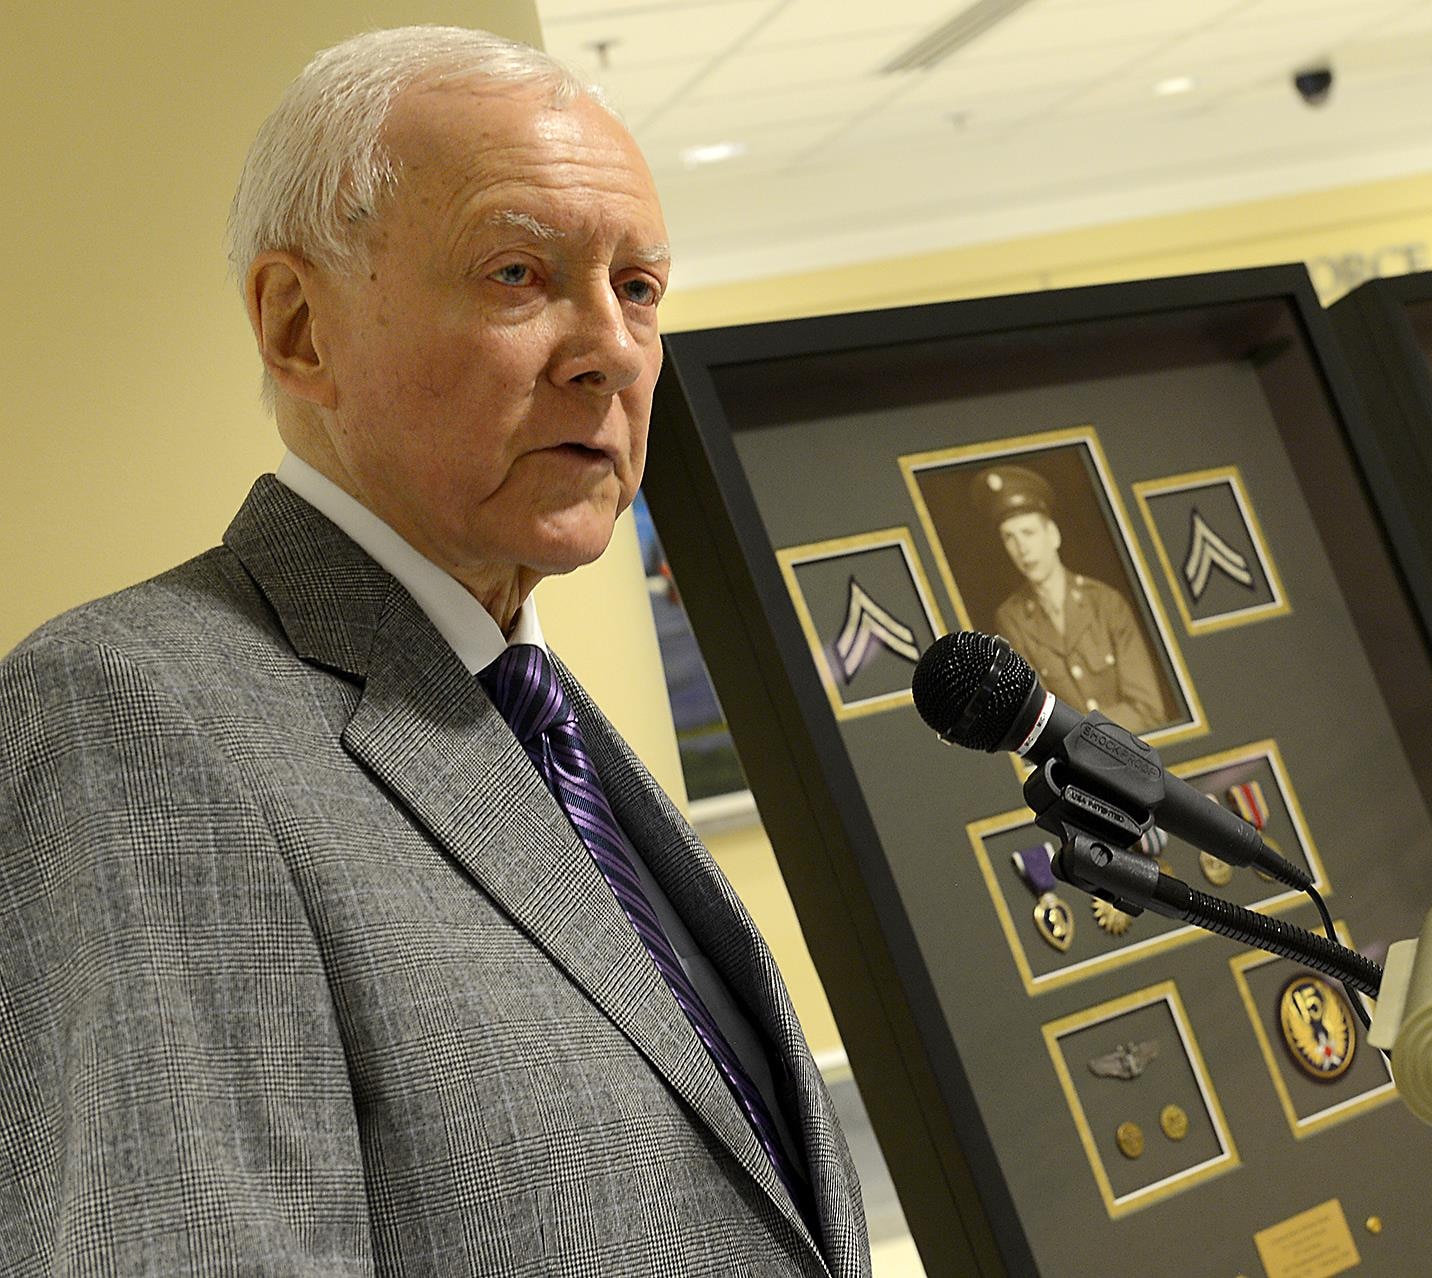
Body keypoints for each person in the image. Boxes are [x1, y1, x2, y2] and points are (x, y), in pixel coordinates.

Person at [0, 27, 866, 1276]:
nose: (612, 350)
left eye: (637, 289)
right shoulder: (133, 714)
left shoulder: (535, 711)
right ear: (299, 328)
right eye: (520, 273)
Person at [973, 464, 1168, 733]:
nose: (1022, 549)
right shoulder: (1012, 618)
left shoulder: (1106, 603)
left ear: (1053, 535)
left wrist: (1084, 736)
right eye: (1010, 538)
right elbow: (1037, 716)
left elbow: (1148, 709)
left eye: (1029, 533)